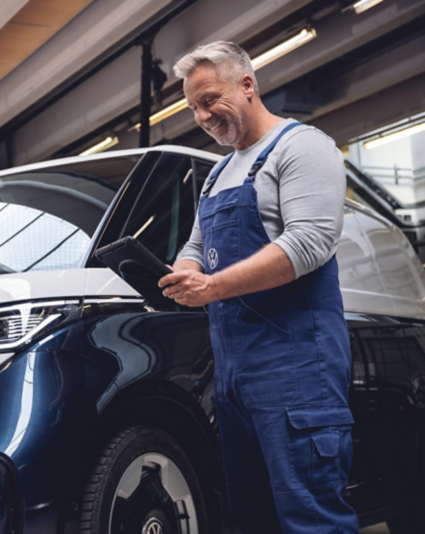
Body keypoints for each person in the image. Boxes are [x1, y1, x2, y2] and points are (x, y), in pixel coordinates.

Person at [158, 41, 359, 533]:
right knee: (252, 518)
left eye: (210, 100)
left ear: (247, 85)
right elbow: (196, 244)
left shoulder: (302, 147)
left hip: (296, 371)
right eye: (193, 108)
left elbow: (310, 242)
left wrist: (213, 286)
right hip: (234, 377)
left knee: (312, 517)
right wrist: (181, 272)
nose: (203, 116)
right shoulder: (218, 174)